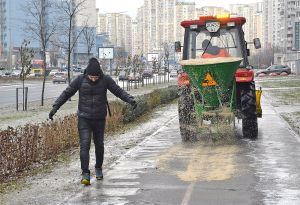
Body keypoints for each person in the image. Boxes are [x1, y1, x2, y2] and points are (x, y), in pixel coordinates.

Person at [48, 57, 137, 185]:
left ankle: (98, 168)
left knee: (99, 145)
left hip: (99, 118)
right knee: (85, 145)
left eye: (96, 77)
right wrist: (55, 107)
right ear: (87, 74)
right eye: (91, 77)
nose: (93, 79)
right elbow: (67, 93)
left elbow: (118, 91)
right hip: (84, 118)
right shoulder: (79, 80)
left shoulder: (105, 79)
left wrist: (130, 99)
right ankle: (85, 173)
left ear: (99, 74)